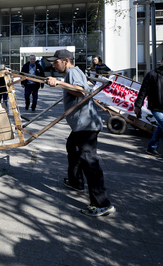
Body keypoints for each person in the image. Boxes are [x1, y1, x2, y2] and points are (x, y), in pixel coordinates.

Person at [45, 49, 116, 217]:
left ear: (65, 61)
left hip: (86, 126)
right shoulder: (73, 72)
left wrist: (59, 83)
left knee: (89, 162)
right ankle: (76, 182)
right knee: (72, 147)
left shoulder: (72, 72)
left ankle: (102, 204)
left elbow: (81, 91)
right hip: (82, 125)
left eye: (56, 62)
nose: (53, 65)